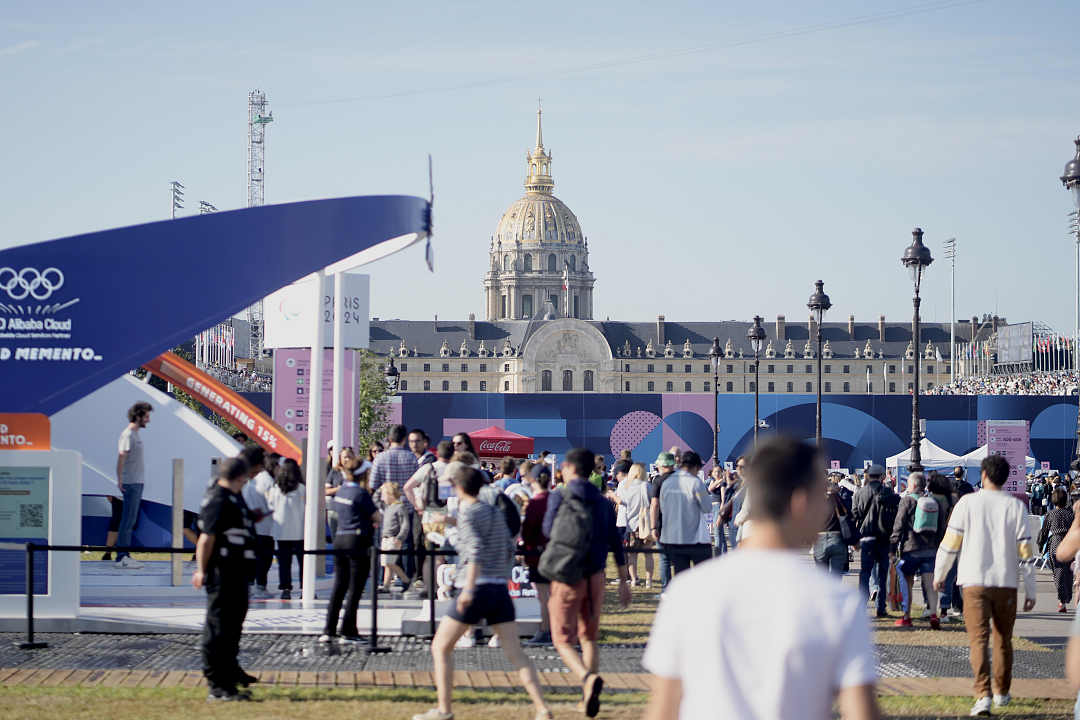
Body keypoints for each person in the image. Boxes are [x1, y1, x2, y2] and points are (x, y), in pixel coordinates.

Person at [641, 437, 881, 720]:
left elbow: (663, 709)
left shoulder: (687, 592)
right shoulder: (838, 603)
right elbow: (861, 712)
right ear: (801, 502)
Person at [415, 463, 552, 720]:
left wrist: (467, 588)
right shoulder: (493, 512)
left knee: (440, 648)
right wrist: (448, 520)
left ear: (458, 487)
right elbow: (499, 541)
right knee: (515, 652)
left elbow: (475, 548)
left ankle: (444, 710)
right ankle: (542, 709)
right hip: (499, 590)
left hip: (475, 589)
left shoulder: (468, 514)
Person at [933, 455, 1037, 716]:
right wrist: (1031, 587)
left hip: (973, 581)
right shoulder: (1016, 507)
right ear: (1005, 477)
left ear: (983, 475)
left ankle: (982, 696)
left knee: (978, 641)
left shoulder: (967, 503)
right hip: (1006, 582)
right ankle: (1002, 692)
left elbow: (950, 544)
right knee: (1003, 640)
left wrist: (940, 573)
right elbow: (1026, 552)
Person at [542, 447, 631, 718]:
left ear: (569, 468)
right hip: (595, 575)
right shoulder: (603, 501)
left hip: (567, 574)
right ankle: (586, 696)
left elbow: (547, 530)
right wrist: (624, 581)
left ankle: (586, 678)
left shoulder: (560, 495)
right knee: (589, 638)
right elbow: (616, 542)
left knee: (562, 639)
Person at [193, 457, 261, 702]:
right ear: (240, 477)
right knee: (219, 626)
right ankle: (217, 683)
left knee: (233, 623)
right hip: (222, 571)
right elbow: (206, 538)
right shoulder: (218, 498)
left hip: (237, 569)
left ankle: (230, 672)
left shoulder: (232, 497)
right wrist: (201, 570)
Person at [321, 458, 379, 644]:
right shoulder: (360, 493)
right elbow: (377, 517)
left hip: (340, 538)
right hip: (357, 539)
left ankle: (328, 630)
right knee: (355, 588)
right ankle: (348, 630)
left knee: (339, 586)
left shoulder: (341, 491)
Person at [888, 472, 945, 629]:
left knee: (908, 584)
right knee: (930, 584)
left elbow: (898, 526)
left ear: (912, 485)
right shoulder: (934, 502)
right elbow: (942, 527)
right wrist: (938, 545)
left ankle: (906, 617)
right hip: (931, 550)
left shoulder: (906, 501)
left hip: (910, 549)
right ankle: (934, 614)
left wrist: (893, 547)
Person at [658, 451, 712, 576]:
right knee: (703, 575)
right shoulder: (695, 482)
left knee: (681, 575)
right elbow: (706, 508)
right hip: (696, 539)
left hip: (674, 538)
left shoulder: (666, 483)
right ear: (695, 467)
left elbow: (662, 506)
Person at [851, 464, 894, 617]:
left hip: (866, 537)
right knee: (882, 573)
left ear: (868, 476)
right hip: (883, 538)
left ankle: (862, 605)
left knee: (865, 572)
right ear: (883, 475)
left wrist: (855, 539)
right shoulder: (888, 492)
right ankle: (881, 607)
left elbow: (854, 517)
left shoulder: (859, 493)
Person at [114, 401, 153, 569]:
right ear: (137, 416)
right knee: (127, 521)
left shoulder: (135, 435)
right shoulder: (128, 434)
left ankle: (125, 555)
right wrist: (120, 479)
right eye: (146, 416)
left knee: (130, 520)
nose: (148, 420)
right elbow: (121, 457)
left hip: (137, 482)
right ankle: (122, 557)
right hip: (131, 483)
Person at [521, 465, 553, 646]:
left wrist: (524, 548)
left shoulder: (535, 503)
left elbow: (528, 531)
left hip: (537, 554)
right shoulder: (555, 500)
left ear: (532, 480)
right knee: (553, 594)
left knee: (543, 596)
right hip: (555, 553)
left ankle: (545, 631)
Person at [267, 458, 306, 600]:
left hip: (280, 530)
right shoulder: (302, 488)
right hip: (299, 530)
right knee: (303, 561)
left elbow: (270, 506)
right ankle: (305, 588)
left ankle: (285, 589)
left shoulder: (275, 488)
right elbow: (304, 509)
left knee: (284, 562)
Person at [238, 446, 274, 600]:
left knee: (252, 559)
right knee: (263, 559)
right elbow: (271, 503)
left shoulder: (246, 479)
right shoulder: (267, 479)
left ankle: (249, 585)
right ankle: (260, 587)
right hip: (265, 527)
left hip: (251, 526)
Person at [1039, 487, 1075, 612]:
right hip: (1069, 543)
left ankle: (1062, 600)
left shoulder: (1050, 514)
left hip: (1055, 543)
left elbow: (1044, 532)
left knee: (1058, 573)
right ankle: (1066, 599)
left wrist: (1040, 544)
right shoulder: (1071, 514)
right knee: (1068, 574)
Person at [620, 462, 654, 587]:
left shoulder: (627, 486)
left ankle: (634, 579)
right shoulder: (646, 485)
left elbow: (623, 502)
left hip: (631, 524)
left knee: (632, 555)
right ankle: (648, 581)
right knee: (648, 554)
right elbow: (650, 502)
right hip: (645, 523)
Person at [647, 451, 677, 591]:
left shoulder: (658, 481)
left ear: (663, 465)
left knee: (664, 558)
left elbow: (654, 505)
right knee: (679, 558)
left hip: (662, 524)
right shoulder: (680, 479)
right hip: (679, 524)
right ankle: (678, 589)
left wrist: (653, 527)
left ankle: (666, 589)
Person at [371, 424, 419, 507]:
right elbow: (418, 483)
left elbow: (373, 484)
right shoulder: (412, 457)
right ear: (404, 439)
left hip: (387, 505)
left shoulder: (379, 458)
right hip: (407, 505)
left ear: (390, 439)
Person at [379, 481, 414, 592]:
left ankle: (406, 579)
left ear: (391, 495)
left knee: (390, 562)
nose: (382, 498)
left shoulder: (400, 507)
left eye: (384, 495)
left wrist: (400, 537)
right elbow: (376, 500)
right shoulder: (387, 507)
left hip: (393, 538)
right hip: (385, 538)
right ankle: (386, 586)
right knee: (386, 563)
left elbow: (405, 524)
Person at [814, 480, 849, 578]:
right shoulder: (837, 500)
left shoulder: (816, 502)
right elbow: (848, 513)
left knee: (822, 579)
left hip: (819, 539)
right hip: (837, 538)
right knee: (835, 579)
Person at [324, 446, 356, 538]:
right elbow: (326, 491)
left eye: (349, 457)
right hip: (334, 509)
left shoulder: (357, 472)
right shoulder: (335, 472)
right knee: (336, 539)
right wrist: (338, 489)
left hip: (351, 510)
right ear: (340, 459)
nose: (347, 459)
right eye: (345, 457)